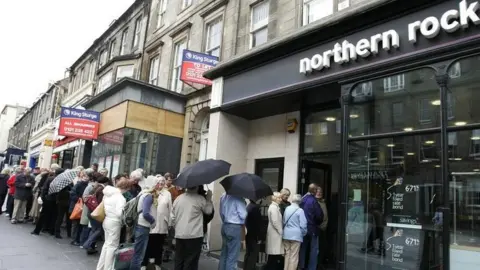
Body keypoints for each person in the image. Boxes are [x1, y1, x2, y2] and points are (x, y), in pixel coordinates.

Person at [172, 186, 213, 270]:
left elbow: (172, 217)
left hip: (179, 234)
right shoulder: (200, 199)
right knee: (191, 261)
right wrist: (208, 199)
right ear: (197, 187)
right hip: (194, 235)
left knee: (179, 260)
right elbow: (208, 211)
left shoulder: (178, 198)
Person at [130, 176, 160, 270]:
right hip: (143, 226)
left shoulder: (142, 193)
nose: (158, 185)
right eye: (156, 183)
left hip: (139, 224)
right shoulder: (148, 196)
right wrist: (153, 221)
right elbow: (146, 213)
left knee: (137, 252)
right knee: (139, 253)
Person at [143, 176, 172, 268]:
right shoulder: (150, 193)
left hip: (162, 223)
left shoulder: (167, 193)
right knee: (149, 244)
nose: (161, 183)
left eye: (163, 181)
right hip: (151, 222)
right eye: (159, 181)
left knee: (159, 245)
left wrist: (170, 222)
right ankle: (144, 263)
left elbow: (170, 209)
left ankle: (157, 263)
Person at [96, 183, 127, 270]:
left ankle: (100, 267)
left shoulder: (108, 194)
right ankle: (108, 268)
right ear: (125, 188)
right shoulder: (120, 198)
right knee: (112, 246)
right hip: (114, 222)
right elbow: (119, 213)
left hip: (107, 220)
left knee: (106, 245)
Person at [31, 166, 64, 235]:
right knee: (54, 216)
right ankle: (51, 231)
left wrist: (44, 197)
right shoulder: (62, 181)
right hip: (56, 200)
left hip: (48, 199)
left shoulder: (50, 179)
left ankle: (37, 230)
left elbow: (44, 189)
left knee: (43, 215)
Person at [219, 193, 247, 270]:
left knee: (224, 254)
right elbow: (243, 215)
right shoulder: (238, 198)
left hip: (225, 225)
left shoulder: (223, 196)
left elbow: (221, 212)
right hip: (235, 227)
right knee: (232, 256)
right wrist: (244, 205)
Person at [299, 184, 324, 270]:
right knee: (314, 250)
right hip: (312, 228)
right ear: (314, 191)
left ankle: (301, 266)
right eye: (316, 190)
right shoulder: (313, 201)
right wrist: (318, 223)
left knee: (303, 248)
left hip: (302, 228)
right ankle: (312, 268)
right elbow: (319, 216)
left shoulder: (302, 200)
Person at [83, 175, 109, 254]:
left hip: (90, 212)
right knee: (99, 230)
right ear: (106, 182)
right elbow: (100, 203)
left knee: (94, 229)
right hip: (96, 213)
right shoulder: (101, 190)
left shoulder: (95, 187)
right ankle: (88, 244)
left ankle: (90, 247)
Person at [283, 194, 307, 270]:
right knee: (294, 256)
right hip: (296, 235)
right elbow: (303, 225)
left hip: (286, 234)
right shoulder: (300, 211)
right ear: (300, 202)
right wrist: (303, 233)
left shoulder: (287, 209)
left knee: (287, 254)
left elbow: (283, 221)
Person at [163, 172, 182, 262]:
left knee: (177, 236)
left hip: (181, 217)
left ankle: (176, 253)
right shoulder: (171, 191)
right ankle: (167, 253)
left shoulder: (184, 191)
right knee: (170, 236)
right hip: (172, 215)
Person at [70, 168, 90, 246]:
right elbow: (72, 194)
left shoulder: (87, 185)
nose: (85, 178)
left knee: (80, 224)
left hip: (82, 206)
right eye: (84, 176)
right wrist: (80, 199)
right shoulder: (78, 184)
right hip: (77, 206)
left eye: (87, 176)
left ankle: (77, 239)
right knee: (76, 223)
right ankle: (74, 239)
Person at [266, 192, 284, 270]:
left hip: (274, 233)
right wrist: (281, 232)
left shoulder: (275, 207)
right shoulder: (273, 207)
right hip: (275, 234)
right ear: (275, 198)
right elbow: (275, 221)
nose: (280, 199)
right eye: (279, 198)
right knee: (274, 254)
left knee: (274, 254)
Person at [244, 198, 263, 270]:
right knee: (253, 255)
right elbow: (258, 224)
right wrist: (260, 237)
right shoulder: (255, 208)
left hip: (249, 233)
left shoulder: (249, 207)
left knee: (248, 253)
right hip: (254, 235)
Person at [55, 171, 73, 239]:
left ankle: (69, 232)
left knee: (68, 218)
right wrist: (69, 192)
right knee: (60, 217)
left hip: (66, 202)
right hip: (62, 202)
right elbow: (60, 193)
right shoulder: (62, 182)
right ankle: (57, 232)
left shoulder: (69, 182)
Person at [316, 187, 329, 267]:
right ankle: (317, 264)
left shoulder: (323, 202)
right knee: (317, 248)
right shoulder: (315, 202)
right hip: (318, 228)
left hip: (323, 228)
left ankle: (320, 263)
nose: (319, 193)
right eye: (317, 192)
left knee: (322, 247)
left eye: (321, 192)